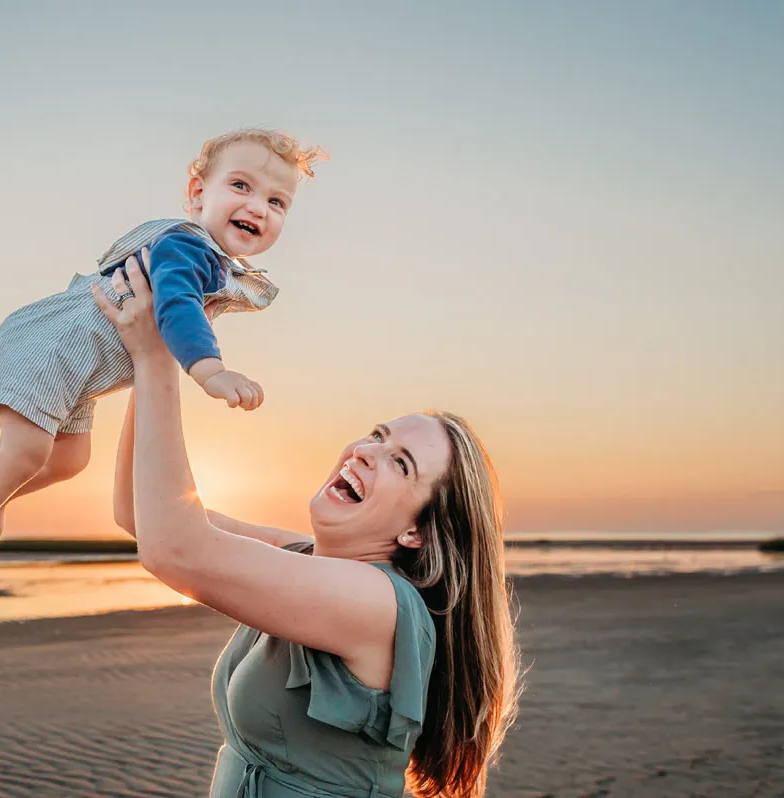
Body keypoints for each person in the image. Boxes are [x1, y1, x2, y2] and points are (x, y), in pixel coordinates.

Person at [94, 254, 521, 798]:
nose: (367, 452)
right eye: (377, 435)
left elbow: (175, 550)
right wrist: (158, 341)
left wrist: (155, 356)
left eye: (401, 463)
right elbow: (140, 514)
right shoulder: (306, 556)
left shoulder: (378, 604)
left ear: (419, 533)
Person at [0, 129, 325, 600]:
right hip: (51, 347)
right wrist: (211, 370)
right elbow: (176, 309)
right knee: (28, 452)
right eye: (241, 186)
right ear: (197, 194)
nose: (258, 207)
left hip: (75, 370)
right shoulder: (186, 248)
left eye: (277, 202)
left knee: (70, 460)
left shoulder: (206, 260)